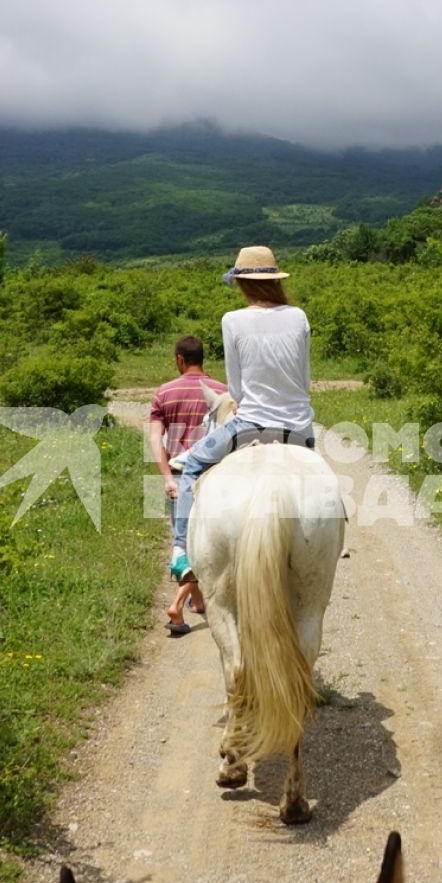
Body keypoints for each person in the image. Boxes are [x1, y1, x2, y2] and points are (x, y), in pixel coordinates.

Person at [169, 245, 314, 583]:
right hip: (299, 429)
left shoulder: (232, 320)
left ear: (242, 283)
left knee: (190, 466)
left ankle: (179, 551)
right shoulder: (299, 316)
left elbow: (235, 388)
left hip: (251, 425)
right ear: (276, 281)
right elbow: (304, 380)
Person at [147, 334, 227, 634]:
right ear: (202, 358)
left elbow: (155, 439)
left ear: (180, 359)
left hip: (180, 478)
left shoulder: (164, 393)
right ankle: (197, 601)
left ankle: (177, 606)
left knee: (186, 543)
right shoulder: (223, 391)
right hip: (216, 478)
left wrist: (167, 477)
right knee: (204, 544)